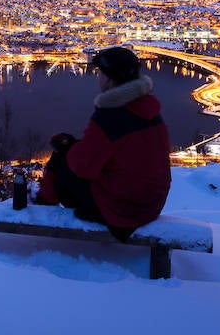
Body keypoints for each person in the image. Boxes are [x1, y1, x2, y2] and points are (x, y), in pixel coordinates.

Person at [35, 46, 171, 241]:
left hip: (122, 213)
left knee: (61, 159)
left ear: (108, 78)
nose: (98, 77)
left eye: (100, 73)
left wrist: (67, 147)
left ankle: (40, 205)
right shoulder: (150, 110)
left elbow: (83, 168)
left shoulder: (110, 116)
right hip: (151, 205)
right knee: (71, 151)